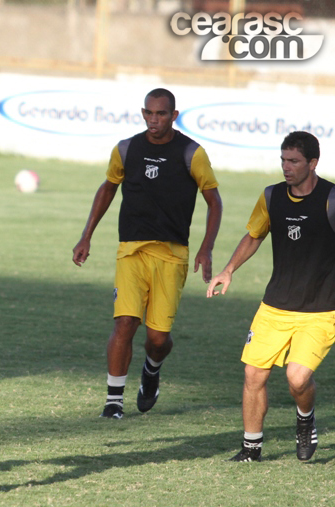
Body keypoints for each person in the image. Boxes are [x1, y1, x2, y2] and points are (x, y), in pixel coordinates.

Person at [72, 88, 223, 419]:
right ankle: (114, 401)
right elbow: (108, 188)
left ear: (174, 116)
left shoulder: (191, 153)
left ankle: (151, 370)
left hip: (172, 254)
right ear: (143, 113)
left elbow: (214, 200)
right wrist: (86, 236)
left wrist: (206, 247)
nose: (154, 120)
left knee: (157, 339)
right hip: (131, 250)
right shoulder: (126, 149)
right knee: (125, 322)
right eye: (149, 113)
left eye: (161, 114)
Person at [208, 131, 333, 462]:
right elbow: (254, 235)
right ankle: (251, 447)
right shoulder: (271, 196)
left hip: (320, 311)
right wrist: (228, 269)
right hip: (274, 306)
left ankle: (305, 419)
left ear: (313, 163)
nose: (286, 167)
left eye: (294, 161)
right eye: (283, 160)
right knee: (253, 375)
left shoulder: (331, 199)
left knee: (297, 378)